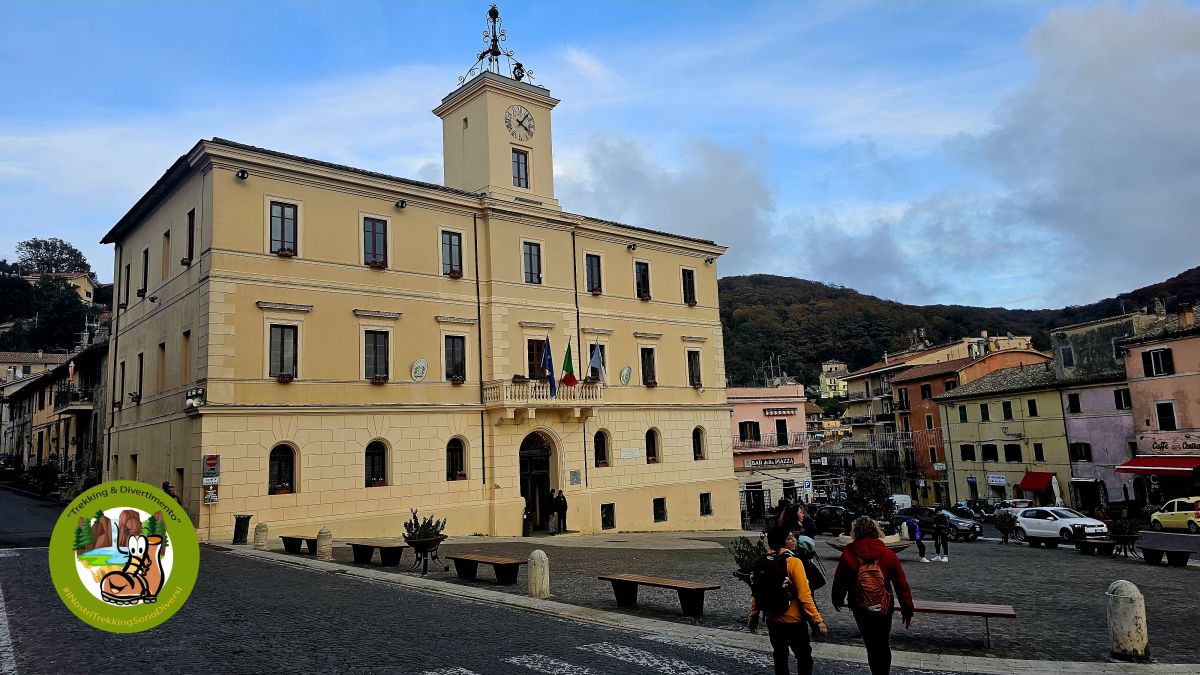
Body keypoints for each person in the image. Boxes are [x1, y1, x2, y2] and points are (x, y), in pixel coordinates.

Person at [832, 516, 915, 675]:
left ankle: (876, 672)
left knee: (871, 644)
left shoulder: (848, 554)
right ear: (876, 531)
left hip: (860, 605)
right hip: (885, 604)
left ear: (855, 532)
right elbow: (901, 584)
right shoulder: (887, 553)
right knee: (883, 643)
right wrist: (907, 609)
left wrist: (837, 599)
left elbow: (840, 580)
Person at [748, 526, 826, 675]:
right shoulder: (793, 562)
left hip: (772, 618)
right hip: (793, 618)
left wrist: (754, 614)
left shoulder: (761, 561)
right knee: (803, 656)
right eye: (790, 537)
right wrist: (817, 620)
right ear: (782, 542)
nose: (794, 540)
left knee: (779, 655)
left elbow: (756, 591)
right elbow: (805, 595)